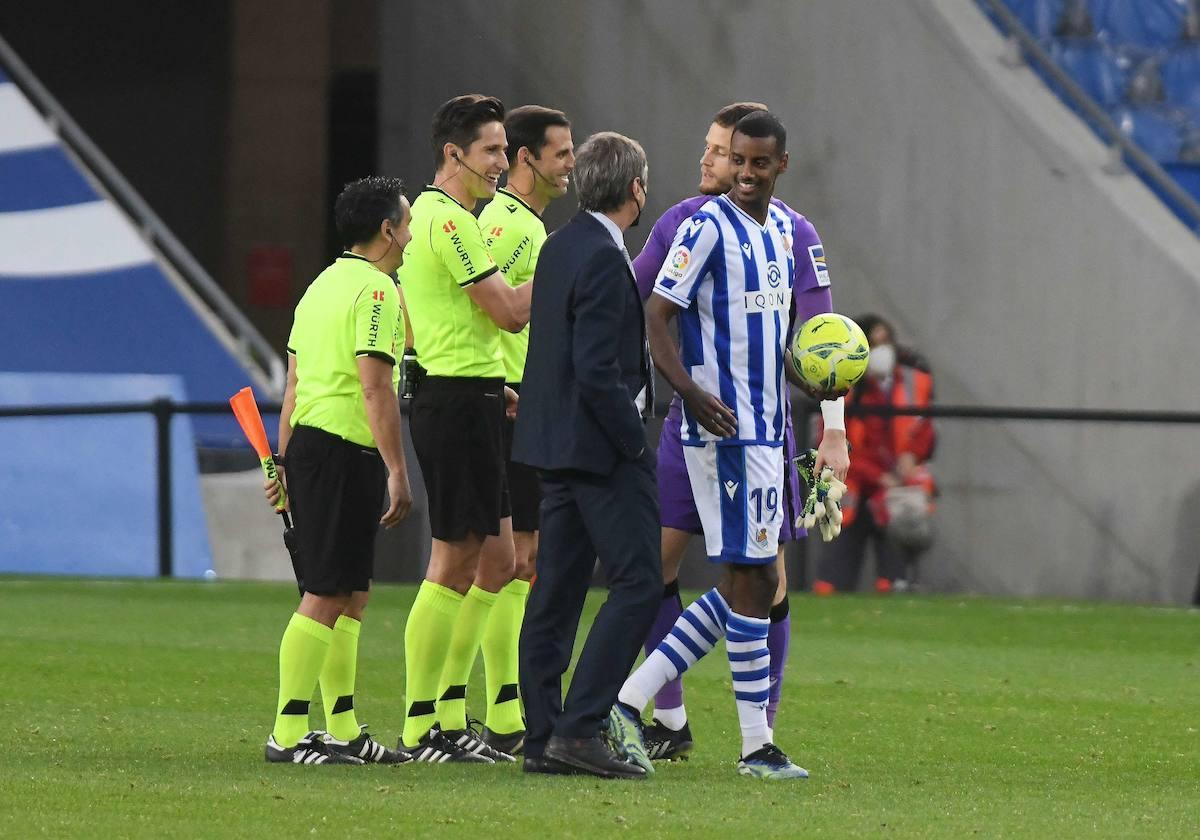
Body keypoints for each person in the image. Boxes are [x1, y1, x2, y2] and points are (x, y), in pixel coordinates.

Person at [610, 111, 849, 781]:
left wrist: (830, 413)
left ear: (780, 165)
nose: (743, 172)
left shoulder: (791, 232)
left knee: (755, 577)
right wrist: (684, 389)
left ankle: (636, 705)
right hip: (720, 431)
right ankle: (741, 741)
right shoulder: (703, 227)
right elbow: (655, 310)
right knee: (744, 574)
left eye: (756, 162)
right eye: (734, 159)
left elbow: (811, 335)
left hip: (767, 432)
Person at [513, 131, 660, 780]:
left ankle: (542, 734)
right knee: (638, 583)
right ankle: (581, 728)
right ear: (634, 188)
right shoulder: (602, 255)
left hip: (554, 445)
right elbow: (597, 368)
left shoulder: (559, 246)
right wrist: (634, 442)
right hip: (600, 450)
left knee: (557, 593)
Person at [397, 94, 532, 763]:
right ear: (454, 154)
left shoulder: (443, 218)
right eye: (492, 151)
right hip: (453, 404)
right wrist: (562, 268)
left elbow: (434, 317)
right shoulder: (448, 220)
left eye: (505, 150)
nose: (502, 165)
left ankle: (452, 715)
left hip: (472, 394)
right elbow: (507, 313)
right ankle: (424, 724)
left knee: (501, 561)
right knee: (452, 562)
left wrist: (488, 380)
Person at [263, 176, 414, 765]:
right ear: (386, 230)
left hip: (316, 450)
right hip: (340, 452)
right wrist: (398, 470)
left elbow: (294, 385)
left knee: (352, 594)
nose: (409, 233)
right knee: (326, 593)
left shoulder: (319, 288)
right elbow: (375, 387)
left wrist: (281, 462)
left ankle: (344, 729)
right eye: (405, 222)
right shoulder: (375, 292)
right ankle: (288, 732)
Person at [474, 105, 575, 756]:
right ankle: (487, 711)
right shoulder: (509, 225)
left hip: (525, 405)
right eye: (561, 152)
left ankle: (505, 710)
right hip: (505, 405)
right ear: (525, 158)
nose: (570, 162)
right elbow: (484, 304)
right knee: (501, 563)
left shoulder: (527, 222)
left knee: (524, 562)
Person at [813, 314, 935, 594]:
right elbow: (831, 442)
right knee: (834, 574)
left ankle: (895, 585)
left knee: (893, 573)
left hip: (894, 490)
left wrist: (912, 458)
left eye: (885, 341)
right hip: (853, 485)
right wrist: (878, 475)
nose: (882, 350)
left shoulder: (913, 382)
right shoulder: (843, 388)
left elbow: (925, 428)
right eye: (873, 342)